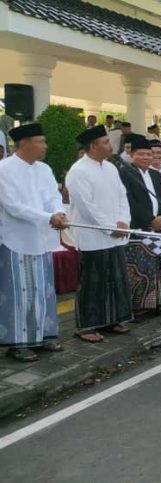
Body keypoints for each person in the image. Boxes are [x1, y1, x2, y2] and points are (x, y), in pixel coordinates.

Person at [0, 123, 67, 361]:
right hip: (17, 239)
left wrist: (59, 212)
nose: (45, 146)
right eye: (41, 141)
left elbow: (53, 197)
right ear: (25, 143)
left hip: (42, 239)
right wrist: (48, 217)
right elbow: (13, 207)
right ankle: (18, 343)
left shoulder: (44, 169)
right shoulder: (4, 169)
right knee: (21, 294)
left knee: (42, 292)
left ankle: (42, 337)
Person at [66, 125, 133, 342]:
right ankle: (86, 326)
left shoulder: (111, 168)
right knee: (93, 283)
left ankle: (113, 319)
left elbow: (123, 196)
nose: (110, 145)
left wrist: (123, 221)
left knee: (115, 279)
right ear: (93, 146)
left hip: (116, 234)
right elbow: (87, 207)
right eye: (105, 142)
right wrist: (109, 227)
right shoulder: (78, 171)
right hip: (93, 236)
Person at [119, 136, 161, 317]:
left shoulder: (157, 175)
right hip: (140, 228)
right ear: (132, 154)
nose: (145, 157)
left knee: (160, 267)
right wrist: (151, 220)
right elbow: (129, 202)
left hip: (160, 228)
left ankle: (159, 303)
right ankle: (138, 307)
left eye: (148, 154)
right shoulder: (126, 173)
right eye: (141, 154)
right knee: (141, 269)